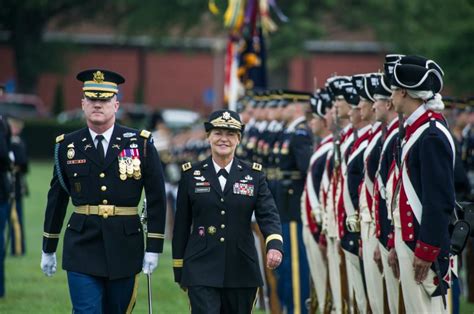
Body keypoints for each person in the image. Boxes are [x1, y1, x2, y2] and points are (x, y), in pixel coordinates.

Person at [40, 69, 167, 313]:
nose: (98, 104)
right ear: (83, 104)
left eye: (105, 99)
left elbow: (156, 198)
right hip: (82, 244)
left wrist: (153, 247)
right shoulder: (68, 145)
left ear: (116, 104)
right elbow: (57, 200)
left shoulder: (139, 143)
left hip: (125, 245)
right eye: (92, 99)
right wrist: (48, 248)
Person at [172, 109, 283, 314]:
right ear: (208, 137)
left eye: (230, 134)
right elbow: (181, 224)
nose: (224, 139)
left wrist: (274, 245)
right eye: (218, 133)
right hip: (201, 267)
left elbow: (268, 213)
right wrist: (179, 266)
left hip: (241, 268)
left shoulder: (254, 175)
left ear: (239, 139)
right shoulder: (191, 174)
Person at [390, 58, 454, 313]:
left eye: (394, 90)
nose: (391, 96)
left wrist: (426, 249)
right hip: (408, 240)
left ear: (405, 92)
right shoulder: (417, 131)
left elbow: (439, 200)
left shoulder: (430, 135)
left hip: (421, 243)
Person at [7, 115, 29, 256]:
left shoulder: (18, 144)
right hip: (7, 186)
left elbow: (23, 165)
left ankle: (18, 249)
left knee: (16, 220)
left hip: (14, 187)